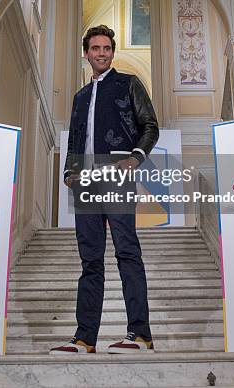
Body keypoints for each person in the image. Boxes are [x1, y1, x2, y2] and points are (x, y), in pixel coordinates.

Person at [50, 24, 159, 355]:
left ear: (112, 52)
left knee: (127, 251)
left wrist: (135, 159)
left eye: (106, 48)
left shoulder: (128, 84)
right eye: (95, 48)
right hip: (85, 183)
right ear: (87, 53)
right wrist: (70, 173)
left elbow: (149, 125)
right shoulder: (80, 97)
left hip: (116, 177)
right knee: (90, 261)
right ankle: (84, 339)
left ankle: (140, 334)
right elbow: (74, 140)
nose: (101, 53)